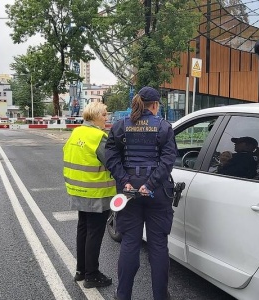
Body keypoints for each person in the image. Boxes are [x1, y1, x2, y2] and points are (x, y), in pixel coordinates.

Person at [105, 86, 177, 300]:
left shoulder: (120, 126)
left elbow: (111, 158)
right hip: (157, 195)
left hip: (129, 196)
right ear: (155, 105)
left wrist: (126, 182)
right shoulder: (164, 127)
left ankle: (123, 295)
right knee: (158, 248)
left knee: (129, 244)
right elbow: (168, 160)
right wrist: (151, 185)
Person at [62, 101, 116, 289]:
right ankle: (92, 275)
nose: (106, 118)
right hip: (96, 191)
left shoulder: (76, 133)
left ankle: (81, 270)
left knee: (83, 229)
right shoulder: (98, 137)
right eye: (103, 115)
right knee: (94, 232)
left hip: (77, 190)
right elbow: (112, 162)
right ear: (94, 116)